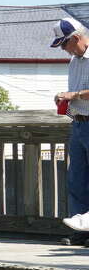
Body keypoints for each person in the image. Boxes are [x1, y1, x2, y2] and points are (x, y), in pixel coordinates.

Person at [53, 18, 89, 244]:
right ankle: (82, 232)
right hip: (78, 123)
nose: (63, 50)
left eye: (63, 44)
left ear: (75, 38)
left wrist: (73, 95)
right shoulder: (74, 62)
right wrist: (64, 98)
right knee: (77, 179)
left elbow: (79, 93)